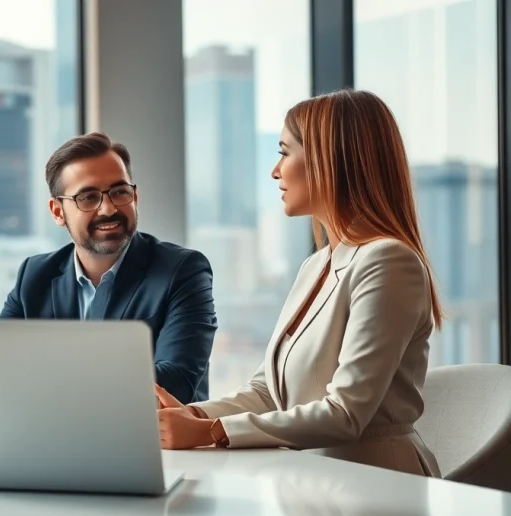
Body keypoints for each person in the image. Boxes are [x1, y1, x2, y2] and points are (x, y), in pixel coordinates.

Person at [153, 89, 443, 477]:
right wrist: (190, 415)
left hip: (380, 482)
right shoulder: (315, 266)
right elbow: (267, 393)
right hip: (315, 479)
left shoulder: (388, 261)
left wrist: (212, 431)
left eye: (284, 152)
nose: (275, 171)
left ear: (329, 160)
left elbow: (345, 414)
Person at [0, 132, 217, 404]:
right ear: (57, 211)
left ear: (134, 197)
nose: (108, 209)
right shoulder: (34, 275)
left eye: (119, 192)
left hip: (153, 441)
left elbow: (174, 383)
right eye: (88, 197)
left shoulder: (182, 271)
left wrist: (43, 379)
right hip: (50, 438)